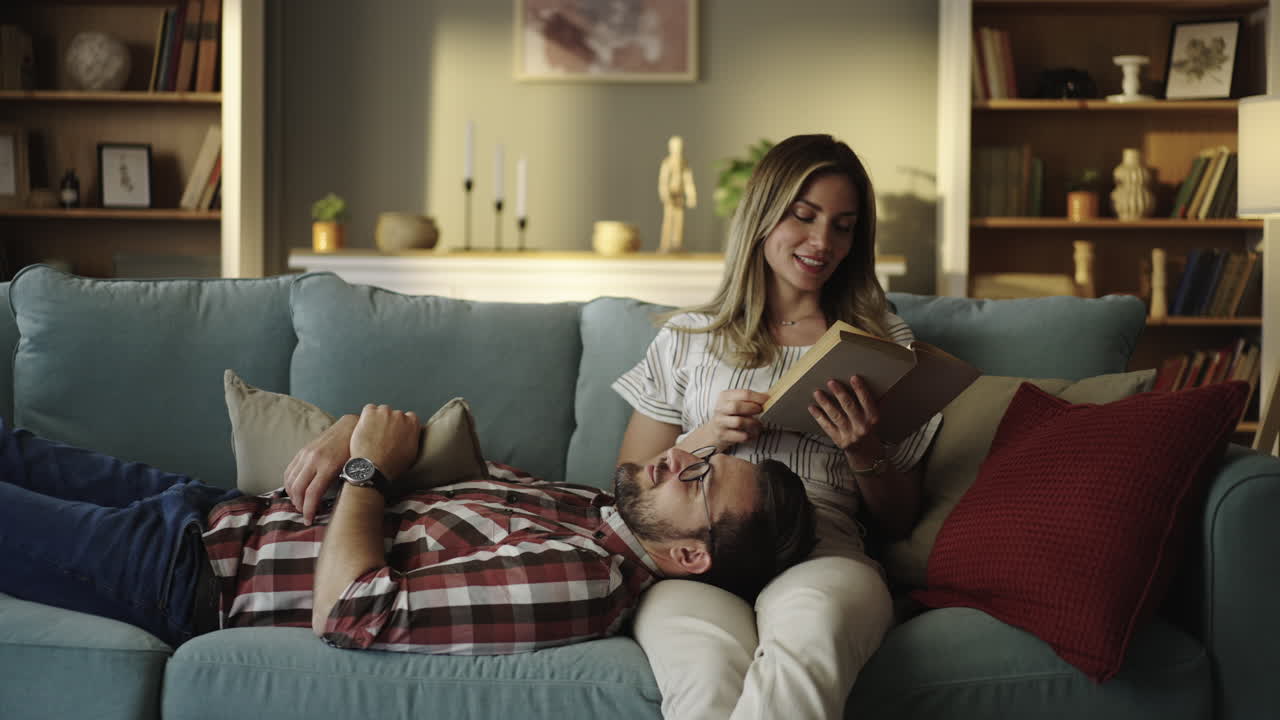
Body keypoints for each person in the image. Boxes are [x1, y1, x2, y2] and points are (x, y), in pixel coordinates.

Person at [0, 403, 816, 654]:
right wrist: (347, 432)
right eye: (696, 453)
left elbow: (353, 610)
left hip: (185, 576)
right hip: (209, 509)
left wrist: (363, 470)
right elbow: (411, 453)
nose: (676, 457)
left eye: (698, 476)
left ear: (687, 554)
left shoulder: (585, 577)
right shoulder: (587, 510)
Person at [612, 133, 942, 719]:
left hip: (823, 547)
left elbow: (899, 519)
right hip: (700, 553)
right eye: (804, 216)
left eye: (843, 226)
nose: (823, 242)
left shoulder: (881, 341)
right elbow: (628, 486)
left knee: (808, 634)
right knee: (706, 671)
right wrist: (708, 435)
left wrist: (863, 447)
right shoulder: (691, 336)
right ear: (764, 214)